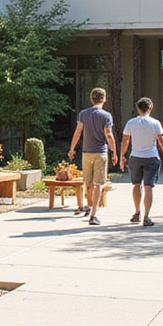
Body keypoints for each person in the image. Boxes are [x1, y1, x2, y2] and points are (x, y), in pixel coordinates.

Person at [118, 97, 163, 227]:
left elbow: (125, 140)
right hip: (152, 157)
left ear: (137, 108)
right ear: (151, 107)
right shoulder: (155, 123)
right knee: (148, 187)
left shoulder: (131, 123)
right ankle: (146, 216)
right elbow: (161, 141)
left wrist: (122, 156)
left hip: (135, 157)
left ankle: (137, 212)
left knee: (136, 185)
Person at [67, 87, 116, 226]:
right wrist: (114, 151)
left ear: (91, 99)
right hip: (100, 152)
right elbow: (109, 134)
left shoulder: (83, 114)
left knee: (87, 183)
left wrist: (72, 149)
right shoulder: (106, 116)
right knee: (98, 184)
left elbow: (78, 132)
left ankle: (89, 207)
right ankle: (93, 214)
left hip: (86, 152)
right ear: (103, 98)